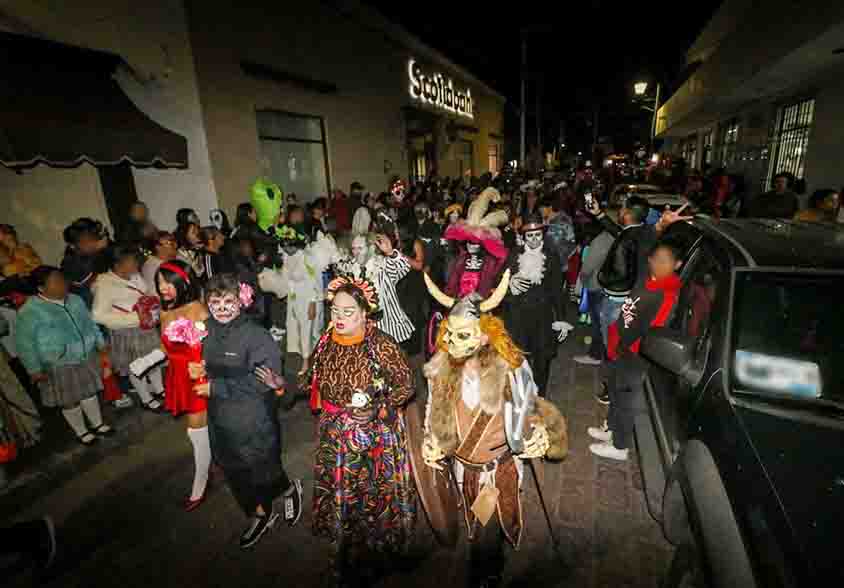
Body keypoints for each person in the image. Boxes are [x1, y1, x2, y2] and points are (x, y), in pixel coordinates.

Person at [422, 271, 567, 588]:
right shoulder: (440, 369)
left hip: (497, 468)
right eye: (449, 334)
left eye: (463, 335)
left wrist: (540, 432)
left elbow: (530, 407)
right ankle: (486, 565)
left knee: (488, 529)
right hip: (463, 468)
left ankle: (486, 573)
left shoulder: (510, 367)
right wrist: (430, 441)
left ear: (485, 334)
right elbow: (433, 412)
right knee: (475, 520)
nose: (452, 344)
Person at [280, 276, 415, 584]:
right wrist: (284, 386)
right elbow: (311, 377)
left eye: (348, 311)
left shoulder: (381, 345)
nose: (339, 318)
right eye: (335, 311)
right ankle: (345, 549)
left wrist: (379, 407)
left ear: (365, 313)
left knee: (368, 494)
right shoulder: (327, 340)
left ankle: (377, 552)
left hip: (373, 437)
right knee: (342, 493)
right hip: (334, 434)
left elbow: (406, 385)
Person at [192, 274, 303, 549]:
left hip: (253, 416)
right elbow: (194, 360)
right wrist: (196, 367)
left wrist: (217, 388)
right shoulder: (203, 329)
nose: (221, 308)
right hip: (220, 417)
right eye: (215, 301)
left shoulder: (255, 335)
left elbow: (264, 380)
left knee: (263, 466)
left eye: (228, 301)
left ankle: (290, 489)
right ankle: (260, 514)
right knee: (234, 469)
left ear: (240, 302)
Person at [588, 241, 683, 461]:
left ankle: (620, 445)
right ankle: (611, 428)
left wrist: (623, 344)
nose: (656, 264)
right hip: (620, 344)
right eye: (654, 259)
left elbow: (648, 328)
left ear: (677, 264)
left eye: (664, 261)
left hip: (634, 353)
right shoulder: (650, 281)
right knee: (614, 389)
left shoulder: (665, 293)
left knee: (624, 397)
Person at [16, 266, 114, 445]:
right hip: (59, 363)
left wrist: (100, 343)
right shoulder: (30, 312)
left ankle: (98, 424)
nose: (63, 284)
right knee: (69, 400)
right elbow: (25, 345)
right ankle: (81, 431)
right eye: (56, 282)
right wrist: (34, 369)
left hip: (85, 354)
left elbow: (90, 323)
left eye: (62, 279)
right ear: (41, 288)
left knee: (89, 392)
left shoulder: (75, 300)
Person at [156, 260, 211, 511]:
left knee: (196, 432)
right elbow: (165, 348)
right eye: (159, 283)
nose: (162, 288)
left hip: (200, 377)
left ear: (183, 282)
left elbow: (216, 346)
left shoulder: (198, 309)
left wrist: (204, 367)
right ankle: (216, 460)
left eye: (168, 282)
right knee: (205, 429)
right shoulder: (164, 312)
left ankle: (200, 484)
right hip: (178, 378)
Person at [503, 213, 572, 396]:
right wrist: (509, 284)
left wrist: (561, 319)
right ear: (524, 237)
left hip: (542, 318)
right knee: (518, 361)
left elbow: (558, 292)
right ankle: (519, 400)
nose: (534, 239)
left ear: (542, 235)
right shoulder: (513, 255)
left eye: (537, 235)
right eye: (529, 235)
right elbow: (498, 283)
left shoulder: (551, 257)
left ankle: (540, 400)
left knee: (542, 363)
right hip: (517, 318)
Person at [91, 244, 163, 412]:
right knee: (136, 366)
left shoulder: (134, 276)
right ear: (118, 264)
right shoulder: (105, 285)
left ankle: (160, 389)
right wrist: (133, 318)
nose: (136, 263)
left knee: (154, 359)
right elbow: (98, 315)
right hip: (127, 333)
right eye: (131, 261)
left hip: (145, 327)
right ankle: (146, 398)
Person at [443, 188, 508, 299]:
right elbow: (453, 281)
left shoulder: (489, 261)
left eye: (476, 243)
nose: (472, 245)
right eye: (470, 242)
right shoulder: (460, 259)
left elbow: (493, 278)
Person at [573, 221, 615, 365]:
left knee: (598, 323)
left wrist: (583, 279)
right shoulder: (614, 236)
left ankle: (596, 355)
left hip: (596, 286)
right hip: (609, 286)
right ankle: (606, 353)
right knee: (605, 322)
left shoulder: (600, 241)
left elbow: (588, 267)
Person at [61, 218, 110, 308]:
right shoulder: (69, 262)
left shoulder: (97, 251)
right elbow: (85, 279)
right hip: (85, 302)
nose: (92, 243)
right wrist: (97, 250)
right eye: (86, 241)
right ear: (73, 245)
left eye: (93, 238)